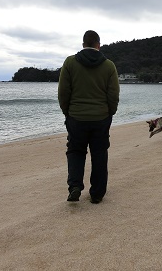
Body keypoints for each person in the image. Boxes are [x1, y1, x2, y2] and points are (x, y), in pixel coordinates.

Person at [58, 30, 120, 204]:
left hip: (76, 118)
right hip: (101, 118)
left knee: (76, 151)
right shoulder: (109, 66)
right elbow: (113, 94)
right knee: (99, 153)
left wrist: (68, 112)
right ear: (98, 45)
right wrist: (110, 113)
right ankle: (97, 194)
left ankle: (75, 186)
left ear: (83, 43)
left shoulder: (70, 63)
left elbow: (63, 92)